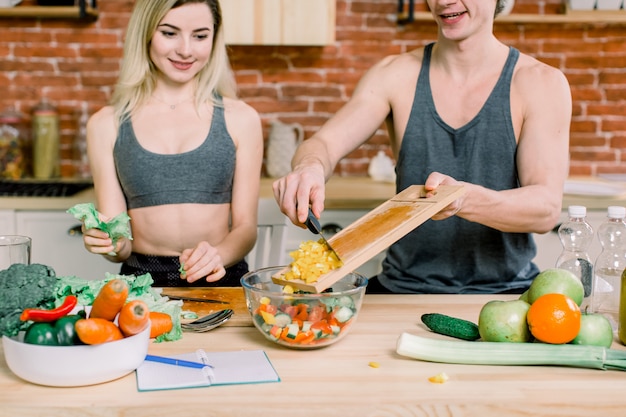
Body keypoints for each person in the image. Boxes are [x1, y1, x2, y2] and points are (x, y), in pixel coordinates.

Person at [272, 0, 572, 294]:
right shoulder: (393, 74)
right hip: (402, 288)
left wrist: (460, 200)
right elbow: (324, 143)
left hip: (506, 292)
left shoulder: (540, 83)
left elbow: (544, 209)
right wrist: (308, 167)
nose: (444, 2)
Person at [81, 0, 263, 287]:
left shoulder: (241, 118)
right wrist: (108, 242)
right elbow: (121, 243)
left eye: (200, 36)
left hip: (222, 275)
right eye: (169, 33)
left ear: (214, 39)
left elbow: (245, 228)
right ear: (146, 34)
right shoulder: (106, 124)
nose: (186, 50)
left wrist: (217, 255)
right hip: (140, 283)